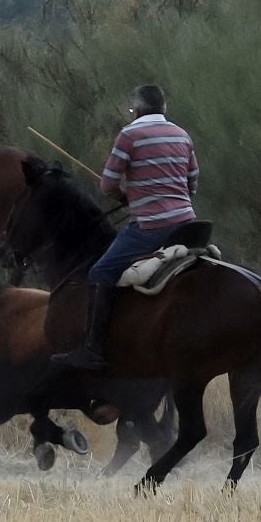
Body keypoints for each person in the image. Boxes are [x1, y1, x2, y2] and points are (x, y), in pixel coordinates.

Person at [53, 84, 201, 371]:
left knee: (100, 272)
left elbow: (108, 184)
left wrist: (126, 196)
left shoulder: (129, 135)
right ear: (163, 108)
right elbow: (192, 181)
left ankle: (92, 350)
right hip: (188, 223)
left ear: (137, 110)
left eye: (132, 109)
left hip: (150, 226)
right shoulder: (181, 134)